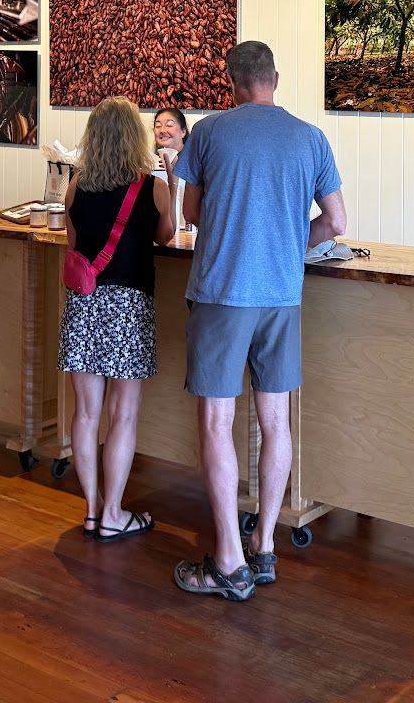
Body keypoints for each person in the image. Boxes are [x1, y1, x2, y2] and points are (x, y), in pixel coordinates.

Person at [171, 42, 347, 602]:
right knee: (276, 420)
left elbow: (191, 213)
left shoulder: (208, 134)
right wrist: (291, 246)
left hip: (223, 294)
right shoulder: (309, 138)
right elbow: (337, 221)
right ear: (275, 78)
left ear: (231, 82)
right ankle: (264, 547)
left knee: (217, 424)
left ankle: (227, 560)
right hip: (282, 296)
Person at [61, 98, 177, 541]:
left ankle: (91, 510)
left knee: (86, 414)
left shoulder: (75, 187)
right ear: (136, 138)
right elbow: (165, 236)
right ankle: (113, 512)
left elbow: (74, 245)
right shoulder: (150, 187)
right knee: (122, 415)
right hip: (128, 307)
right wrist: (170, 183)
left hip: (84, 304)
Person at [151, 107, 189, 231]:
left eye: (169, 125)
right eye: (158, 126)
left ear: (183, 131)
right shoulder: (151, 164)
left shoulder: (195, 163)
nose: (162, 130)